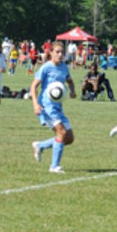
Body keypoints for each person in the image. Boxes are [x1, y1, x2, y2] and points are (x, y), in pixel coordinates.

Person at [30, 41, 76, 173]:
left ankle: (41, 145)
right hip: (46, 107)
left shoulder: (64, 67)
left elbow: (70, 81)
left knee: (69, 138)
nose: (60, 55)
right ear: (50, 53)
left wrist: (72, 91)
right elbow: (33, 86)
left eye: (62, 52)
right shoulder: (46, 68)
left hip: (58, 107)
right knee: (61, 133)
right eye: (57, 52)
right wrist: (35, 104)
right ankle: (54, 166)